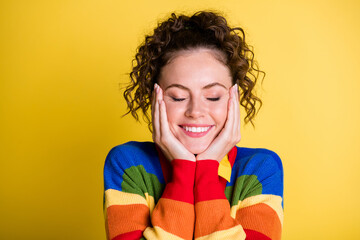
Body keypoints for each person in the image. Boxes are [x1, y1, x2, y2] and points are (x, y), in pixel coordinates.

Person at [103, 11, 284, 240]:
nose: (195, 112)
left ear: (233, 99)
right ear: (154, 100)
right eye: (178, 97)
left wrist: (206, 169)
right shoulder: (128, 164)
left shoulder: (261, 169)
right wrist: (184, 170)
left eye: (213, 97)